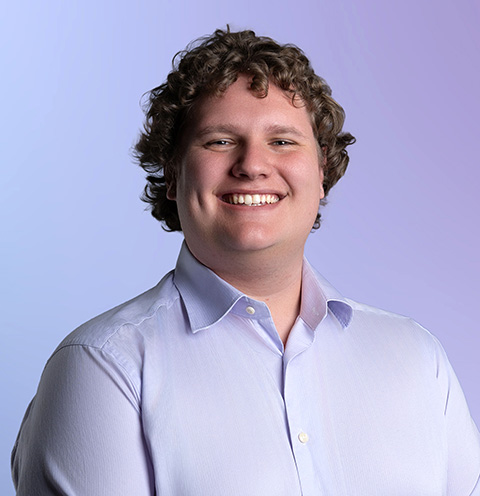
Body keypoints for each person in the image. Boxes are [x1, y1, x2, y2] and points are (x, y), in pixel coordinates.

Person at [12, 28, 480, 495]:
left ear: (322, 172)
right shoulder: (104, 366)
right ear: (172, 174)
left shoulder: (417, 359)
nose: (252, 165)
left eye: (282, 141)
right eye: (219, 141)